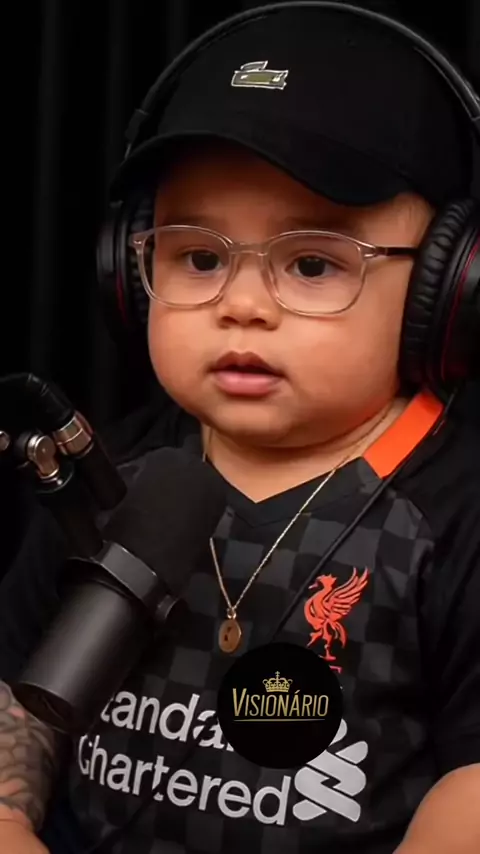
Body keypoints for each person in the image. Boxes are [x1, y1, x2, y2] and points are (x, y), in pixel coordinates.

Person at [1, 4, 479, 853]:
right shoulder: (101, 476)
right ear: (131, 272)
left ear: (447, 292)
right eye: (200, 257)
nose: (243, 305)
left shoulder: (457, 515)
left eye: (312, 263)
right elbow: (18, 701)